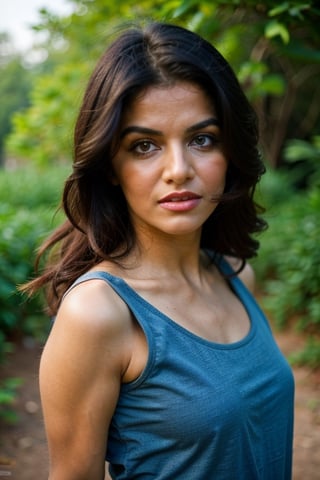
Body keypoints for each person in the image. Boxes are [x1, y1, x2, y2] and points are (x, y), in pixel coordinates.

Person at [23, 21, 294, 480]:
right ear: (111, 165)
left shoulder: (235, 275)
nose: (178, 170)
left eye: (201, 139)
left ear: (230, 152)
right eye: (144, 146)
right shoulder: (99, 313)